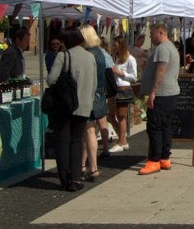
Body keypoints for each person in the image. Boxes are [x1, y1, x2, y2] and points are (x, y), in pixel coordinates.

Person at [46, 28, 97, 192]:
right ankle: (75, 177)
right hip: (83, 106)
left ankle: (64, 178)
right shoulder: (90, 57)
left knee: (63, 141)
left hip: (64, 106)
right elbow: (95, 83)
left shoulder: (63, 56)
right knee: (76, 142)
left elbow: (51, 80)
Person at [137, 23, 180, 175]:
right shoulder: (171, 48)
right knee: (165, 126)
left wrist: (153, 92)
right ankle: (164, 157)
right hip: (170, 93)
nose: (150, 37)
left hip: (162, 93)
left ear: (160, 33)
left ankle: (154, 160)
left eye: (152, 34)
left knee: (155, 127)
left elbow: (161, 70)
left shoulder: (162, 49)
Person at [78, 24, 108, 182]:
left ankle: (93, 167)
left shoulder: (89, 54)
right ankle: (83, 166)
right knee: (88, 131)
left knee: (89, 132)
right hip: (99, 95)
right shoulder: (100, 52)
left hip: (90, 96)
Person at [108, 35, 137, 153]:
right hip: (114, 89)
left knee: (121, 116)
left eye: (115, 44)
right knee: (110, 116)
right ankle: (122, 139)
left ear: (121, 45)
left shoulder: (130, 58)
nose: (114, 47)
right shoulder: (115, 57)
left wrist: (120, 73)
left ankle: (121, 141)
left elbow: (134, 77)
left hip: (123, 88)